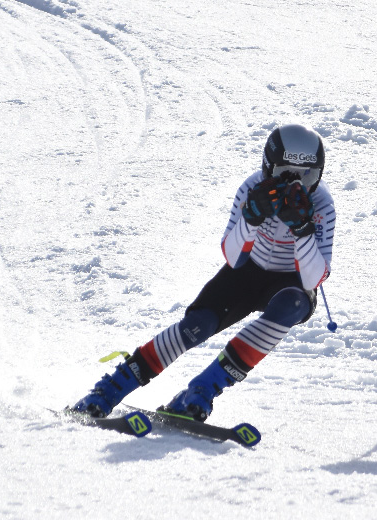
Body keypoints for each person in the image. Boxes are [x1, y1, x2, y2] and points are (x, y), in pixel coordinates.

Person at [70, 124, 336, 422]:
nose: (293, 184)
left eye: (307, 175)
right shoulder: (251, 188)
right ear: (267, 166)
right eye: (284, 172)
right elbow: (234, 258)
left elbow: (313, 279)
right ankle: (109, 389)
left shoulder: (321, 203)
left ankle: (202, 390)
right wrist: (251, 218)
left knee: (293, 305)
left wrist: (302, 230)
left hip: (290, 281)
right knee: (198, 325)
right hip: (247, 271)